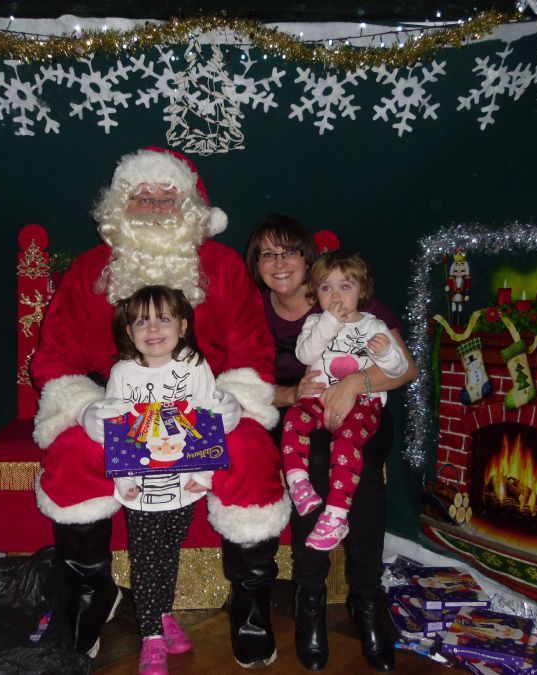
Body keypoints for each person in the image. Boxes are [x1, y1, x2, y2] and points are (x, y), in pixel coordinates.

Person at [30, 148, 290, 668]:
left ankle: (250, 600)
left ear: (190, 207)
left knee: (250, 452)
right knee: (74, 452)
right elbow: (55, 354)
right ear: (118, 206)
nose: (153, 207)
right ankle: (91, 591)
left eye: (165, 198)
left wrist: (235, 402)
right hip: (118, 406)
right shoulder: (90, 271)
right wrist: (83, 409)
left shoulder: (222, 268)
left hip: (206, 404)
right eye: (140, 197)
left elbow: (253, 346)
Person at [245, 214, 417, 673]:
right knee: (316, 455)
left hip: (362, 406)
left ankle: (366, 597)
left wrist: (357, 383)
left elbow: (406, 369)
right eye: (267, 253)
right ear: (256, 264)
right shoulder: (255, 309)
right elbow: (235, 381)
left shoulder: (349, 294)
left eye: (289, 251)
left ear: (308, 258)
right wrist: (289, 395)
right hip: (294, 409)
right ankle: (310, 599)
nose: (280, 262)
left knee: (357, 460)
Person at [81, 285, 219, 674]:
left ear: (183, 326)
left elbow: (209, 415)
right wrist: (124, 481)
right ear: (128, 331)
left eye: (164, 319)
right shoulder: (123, 372)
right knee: (145, 558)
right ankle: (152, 635)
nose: (153, 329)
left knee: (169, 551)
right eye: (141, 321)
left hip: (184, 482)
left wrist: (203, 472)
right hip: (140, 486)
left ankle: (163, 613)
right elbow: (115, 427)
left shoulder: (195, 365)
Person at [283, 251, 408, 552]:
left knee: (345, 443)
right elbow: (305, 355)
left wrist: (385, 353)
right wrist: (329, 323)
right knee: (293, 419)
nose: (336, 295)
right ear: (316, 293)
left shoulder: (374, 326)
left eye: (345, 286)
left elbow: (401, 369)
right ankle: (298, 482)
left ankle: (337, 516)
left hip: (363, 403)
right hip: (319, 397)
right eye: (326, 288)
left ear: (361, 290)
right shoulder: (316, 322)